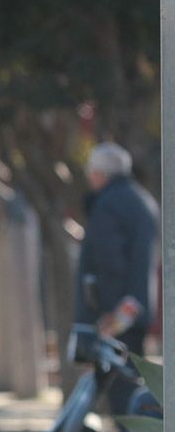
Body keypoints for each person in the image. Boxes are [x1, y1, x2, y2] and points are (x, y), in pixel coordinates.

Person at [77, 141, 158, 415]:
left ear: (100, 173)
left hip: (114, 312)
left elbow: (108, 261)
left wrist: (103, 313)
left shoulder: (108, 204)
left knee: (120, 387)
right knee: (134, 380)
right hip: (137, 307)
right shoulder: (142, 200)